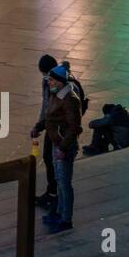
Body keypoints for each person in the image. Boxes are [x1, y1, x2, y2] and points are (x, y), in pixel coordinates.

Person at [40, 64, 83, 233]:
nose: (48, 82)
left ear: (58, 82)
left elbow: (75, 127)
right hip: (56, 143)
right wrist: (38, 126)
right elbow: (50, 117)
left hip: (64, 147)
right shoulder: (55, 94)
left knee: (65, 183)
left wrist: (63, 148)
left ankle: (67, 219)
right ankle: (58, 213)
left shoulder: (70, 99)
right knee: (59, 180)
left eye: (50, 80)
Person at [31, 54, 60, 212]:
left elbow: (48, 107)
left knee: (50, 158)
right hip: (58, 126)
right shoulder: (64, 78)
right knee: (51, 159)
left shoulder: (51, 83)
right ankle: (53, 192)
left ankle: (53, 194)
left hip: (55, 127)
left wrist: (39, 125)